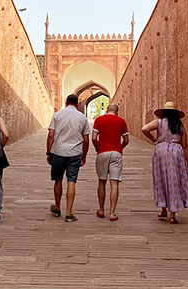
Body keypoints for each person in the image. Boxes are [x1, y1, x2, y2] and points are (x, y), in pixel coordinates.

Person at [141, 101, 188, 224]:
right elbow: (185, 145)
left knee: (160, 179)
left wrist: (153, 138)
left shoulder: (159, 122)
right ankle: (172, 215)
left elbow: (144, 129)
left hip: (161, 151)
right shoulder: (179, 125)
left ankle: (163, 208)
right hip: (176, 152)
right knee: (173, 181)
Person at [47, 94, 90, 222]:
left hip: (58, 151)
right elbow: (86, 139)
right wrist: (84, 155)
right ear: (77, 104)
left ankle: (58, 207)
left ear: (66, 103)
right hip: (75, 153)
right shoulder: (82, 117)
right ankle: (69, 213)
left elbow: (50, 135)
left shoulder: (57, 115)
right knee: (72, 181)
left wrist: (48, 152)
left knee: (58, 180)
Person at [92, 103, 129, 221]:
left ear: (107, 110)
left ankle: (101, 210)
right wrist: (120, 148)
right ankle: (112, 213)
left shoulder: (99, 120)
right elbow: (126, 140)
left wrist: (98, 147)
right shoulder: (121, 121)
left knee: (102, 181)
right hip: (116, 153)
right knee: (114, 183)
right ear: (117, 112)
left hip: (102, 152)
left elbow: (93, 138)